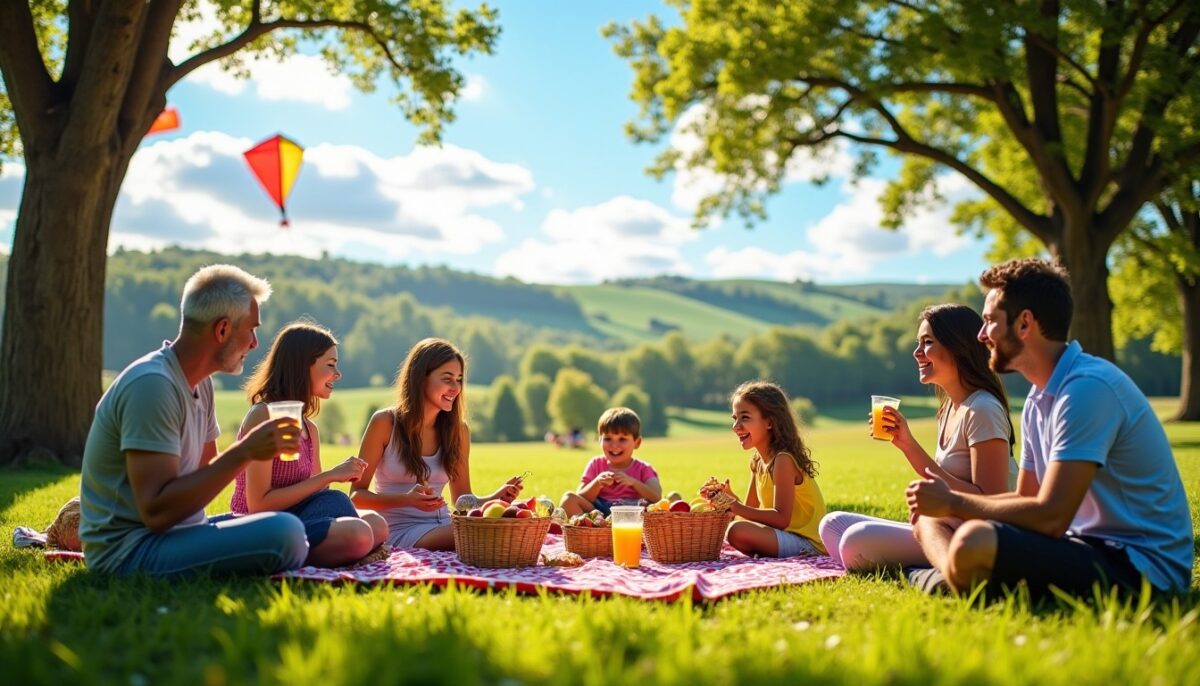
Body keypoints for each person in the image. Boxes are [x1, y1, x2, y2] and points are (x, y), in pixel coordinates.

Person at [906, 258, 1194, 599]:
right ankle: (951, 577)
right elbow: (1026, 500)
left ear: (1025, 323)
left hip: (1139, 564)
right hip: (1082, 545)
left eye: (989, 322)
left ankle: (943, 578)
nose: (982, 336)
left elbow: (1052, 516)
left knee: (974, 539)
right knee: (928, 520)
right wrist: (946, 507)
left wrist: (954, 501)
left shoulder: (1086, 388)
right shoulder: (1038, 399)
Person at [79, 265, 308, 577]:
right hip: (130, 550)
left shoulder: (200, 383)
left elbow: (203, 475)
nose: (255, 343)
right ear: (223, 330)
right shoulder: (152, 386)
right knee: (287, 534)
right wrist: (245, 452)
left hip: (180, 531)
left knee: (291, 527)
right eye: (251, 329)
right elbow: (157, 513)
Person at [818, 304, 1016, 571]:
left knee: (854, 542)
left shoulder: (982, 408)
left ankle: (940, 561)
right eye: (918, 343)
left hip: (978, 535)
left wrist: (937, 504)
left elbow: (991, 501)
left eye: (927, 343)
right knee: (831, 525)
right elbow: (943, 481)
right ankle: (924, 555)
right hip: (947, 524)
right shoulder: (949, 408)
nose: (916, 352)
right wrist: (907, 444)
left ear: (958, 347)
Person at [231, 321, 388, 567]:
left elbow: (316, 496)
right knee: (358, 532)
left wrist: (335, 477)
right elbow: (258, 504)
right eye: (331, 365)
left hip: (300, 518)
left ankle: (323, 552)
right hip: (263, 525)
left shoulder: (309, 428)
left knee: (376, 524)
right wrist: (330, 476)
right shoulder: (263, 416)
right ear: (303, 366)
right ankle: (282, 556)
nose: (338, 374)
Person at [350, 338, 524, 550]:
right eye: (447, 379)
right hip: (399, 529)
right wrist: (406, 500)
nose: (455, 388)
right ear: (421, 378)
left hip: (445, 524)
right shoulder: (385, 423)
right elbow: (357, 496)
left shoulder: (458, 431)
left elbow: (462, 499)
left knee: (510, 526)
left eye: (459, 380)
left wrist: (496, 497)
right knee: (482, 534)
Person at [723, 381, 827, 557]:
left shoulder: (783, 461)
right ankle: (767, 553)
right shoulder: (757, 461)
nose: (736, 426)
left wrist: (737, 508)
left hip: (809, 543)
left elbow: (781, 518)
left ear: (769, 422)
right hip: (784, 536)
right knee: (736, 530)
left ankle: (768, 553)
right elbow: (749, 511)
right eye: (735, 418)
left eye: (745, 417)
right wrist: (730, 501)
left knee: (737, 531)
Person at [559, 407, 662, 516]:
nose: (614, 445)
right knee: (568, 499)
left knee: (669, 503)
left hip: (631, 513)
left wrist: (633, 482)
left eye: (622, 439)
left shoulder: (643, 468)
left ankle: (611, 530)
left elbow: (656, 497)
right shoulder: (596, 464)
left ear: (637, 442)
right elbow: (581, 496)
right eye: (608, 439)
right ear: (600, 440)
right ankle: (596, 530)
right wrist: (597, 483)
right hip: (599, 513)